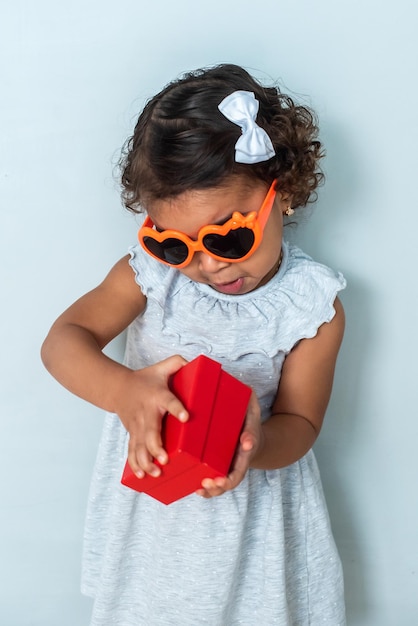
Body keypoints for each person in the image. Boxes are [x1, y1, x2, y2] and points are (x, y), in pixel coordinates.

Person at [41, 63, 346, 625]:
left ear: (283, 194)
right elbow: (63, 340)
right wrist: (125, 391)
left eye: (227, 235)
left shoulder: (311, 306)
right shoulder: (151, 278)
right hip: (153, 516)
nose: (206, 266)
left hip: (256, 519)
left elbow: (300, 424)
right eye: (176, 246)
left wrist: (254, 441)